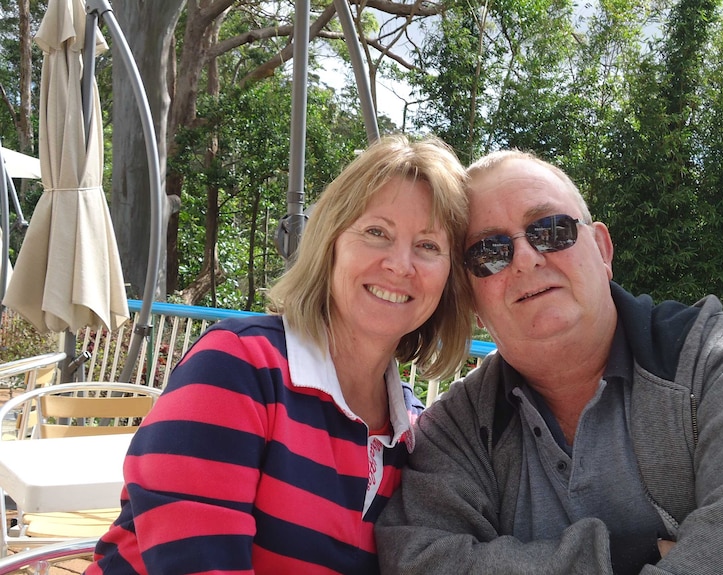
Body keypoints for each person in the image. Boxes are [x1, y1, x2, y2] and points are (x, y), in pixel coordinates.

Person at [376, 150, 723, 574]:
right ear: (471, 296)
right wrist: (627, 557)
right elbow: (416, 562)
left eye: (551, 230)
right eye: (489, 251)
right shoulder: (456, 432)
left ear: (602, 250)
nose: (524, 258)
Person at [87, 135, 473, 574]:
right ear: (330, 244)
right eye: (376, 232)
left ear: (448, 281)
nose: (400, 264)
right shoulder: (240, 365)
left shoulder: (413, 432)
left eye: (428, 246)